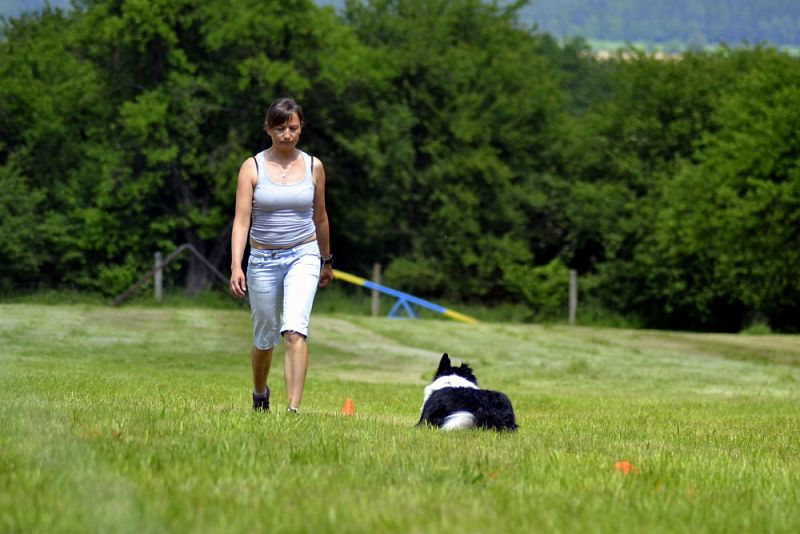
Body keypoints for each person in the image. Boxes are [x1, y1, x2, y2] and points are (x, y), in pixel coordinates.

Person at [230, 97, 333, 413]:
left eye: (293, 128)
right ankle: (260, 393)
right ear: (268, 128)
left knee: (294, 330)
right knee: (265, 337)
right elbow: (242, 219)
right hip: (262, 259)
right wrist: (236, 265)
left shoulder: (314, 166)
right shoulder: (253, 166)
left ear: (301, 128)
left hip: (303, 254)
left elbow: (320, 217)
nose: (287, 134)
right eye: (280, 128)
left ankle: (294, 408)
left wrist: (326, 260)